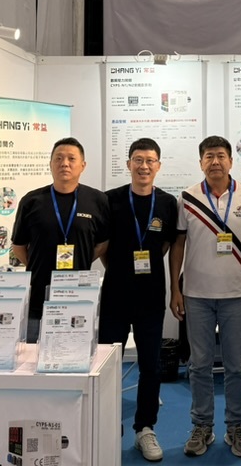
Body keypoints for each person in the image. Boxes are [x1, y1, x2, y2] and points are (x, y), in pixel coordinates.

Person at [170, 136, 241, 458]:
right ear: (201, 162)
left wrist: (237, 262)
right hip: (196, 294)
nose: (215, 162)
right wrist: (175, 288)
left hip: (236, 294)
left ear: (231, 161)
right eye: (209, 156)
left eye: (221, 156)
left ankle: (236, 426)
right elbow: (178, 244)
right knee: (198, 365)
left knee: (236, 366)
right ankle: (202, 425)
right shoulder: (187, 197)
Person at [98, 138, 178, 463]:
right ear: (128, 163)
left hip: (150, 296)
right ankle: (105, 425)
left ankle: (145, 428)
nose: (144, 166)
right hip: (115, 295)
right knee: (107, 364)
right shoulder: (110, 200)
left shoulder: (168, 203)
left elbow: (165, 246)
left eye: (150, 160)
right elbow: (104, 249)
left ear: (158, 165)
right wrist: (122, 270)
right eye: (138, 160)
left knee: (150, 365)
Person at [11, 137, 110, 342]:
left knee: (74, 351)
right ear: (50, 164)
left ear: (83, 165)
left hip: (78, 295)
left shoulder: (97, 200)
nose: (64, 163)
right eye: (58, 158)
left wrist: (82, 260)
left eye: (71, 159)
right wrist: (38, 265)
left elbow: (103, 243)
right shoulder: (31, 201)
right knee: (33, 354)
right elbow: (18, 246)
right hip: (39, 296)